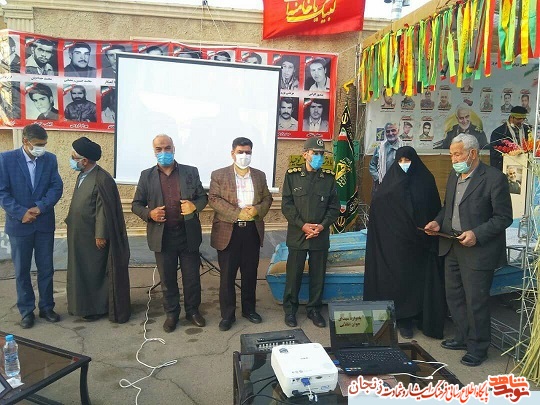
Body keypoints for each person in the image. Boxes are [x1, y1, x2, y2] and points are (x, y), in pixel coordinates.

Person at [424, 134, 512, 367]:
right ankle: (463, 336)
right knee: (454, 297)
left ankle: (478, 347)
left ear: (472, 154)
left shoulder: (494, 179)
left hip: (478, 250)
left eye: (457, 154)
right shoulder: (454, 176)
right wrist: (437, 222)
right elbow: (448, 208)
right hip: (452, 244)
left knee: (476, 301)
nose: (453, 159)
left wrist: (477, 234)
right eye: (451, 154)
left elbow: (503, 217)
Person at [364, 146, 445, 339]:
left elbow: (434, 208)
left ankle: (417, 315)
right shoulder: (389, 183)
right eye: (400, 161)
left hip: (420, 244)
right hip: (395, 245)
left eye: (407, 160)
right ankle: (401, 317)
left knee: (418, 281)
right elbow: (378, 211)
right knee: (397, 279)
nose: (404, 164)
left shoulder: (426, 180)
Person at [132, 134, 208, 333]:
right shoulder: (146, 176)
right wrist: (149, 214)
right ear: (154, 151)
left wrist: (194, 206)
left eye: (167, 148)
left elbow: (202, 198)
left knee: (192, 278)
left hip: (187, 234)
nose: (163, 152)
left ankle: (192, 311)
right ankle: (172, 314)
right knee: (167, 280)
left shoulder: (190, 172)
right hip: (162, 236)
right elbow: (136, 204)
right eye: (159, 149)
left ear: (174, 149)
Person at [0, 124, 63, 329]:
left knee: (46, 269)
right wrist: (21, 213)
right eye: (38, 145)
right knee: (22, 271)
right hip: (19, 225)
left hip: (43, 223)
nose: (41, 148)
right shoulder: (6, 159)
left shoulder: (50, 159)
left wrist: (40, 207)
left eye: (44, 144)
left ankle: (47, 307)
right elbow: (2, 192)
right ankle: (26, 311)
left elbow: (56, 187)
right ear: (25, 141)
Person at [208, 137, 273, 331]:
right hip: (229, 231)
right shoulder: (219, 174)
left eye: (248, 152)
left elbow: (267, 198)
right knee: (227, 276)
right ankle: (227, 315)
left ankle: (249, 310)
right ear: (232, 153)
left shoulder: (259, 175)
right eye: (240, 152)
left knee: (250, 274)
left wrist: (257, 210)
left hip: (251, 231)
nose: (244, 156)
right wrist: (237, 213)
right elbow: (214, 199)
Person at [66, 137, 131, 323]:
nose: (71, 160)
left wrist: (100, 234)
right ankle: (83, 305)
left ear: (84, 160)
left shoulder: (102, 179)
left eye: (74, 157)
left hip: (93, 237)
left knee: (94, 272)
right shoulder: (83, 174)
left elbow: (104, 209)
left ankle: (96, 308)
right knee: (82, 272)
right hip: (80, 234)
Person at [282, 138, 339, 328]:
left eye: (322, 154)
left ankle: (314, 309)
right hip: (298, 233)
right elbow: (287, 205)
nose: (319, 157)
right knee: (293, 275)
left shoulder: (329, 178)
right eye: (315, 153)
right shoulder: (292, 176)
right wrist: (303, 225)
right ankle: (290, 310)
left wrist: (321, 226)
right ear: (305, 154)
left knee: (318, 275)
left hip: (319, 235)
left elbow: (334, 207)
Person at [489, 106, 532, 171]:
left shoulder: (527, 130)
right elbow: (494, 153)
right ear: (511, 117)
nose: (521, 122)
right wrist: (510, 154)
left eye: (523, 119)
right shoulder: (499, 132)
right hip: (505, 168)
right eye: (518, 119)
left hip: (524, 166)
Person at [369, 122, 403, 194]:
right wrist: (378, 178)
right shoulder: (379, 148)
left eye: (393, 130)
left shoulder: (404, 148)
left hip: (398, 186)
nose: (390, 133)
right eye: (388, 131)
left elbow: (407, 168)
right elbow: (372, 165)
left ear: (398, 131)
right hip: (381, 185)